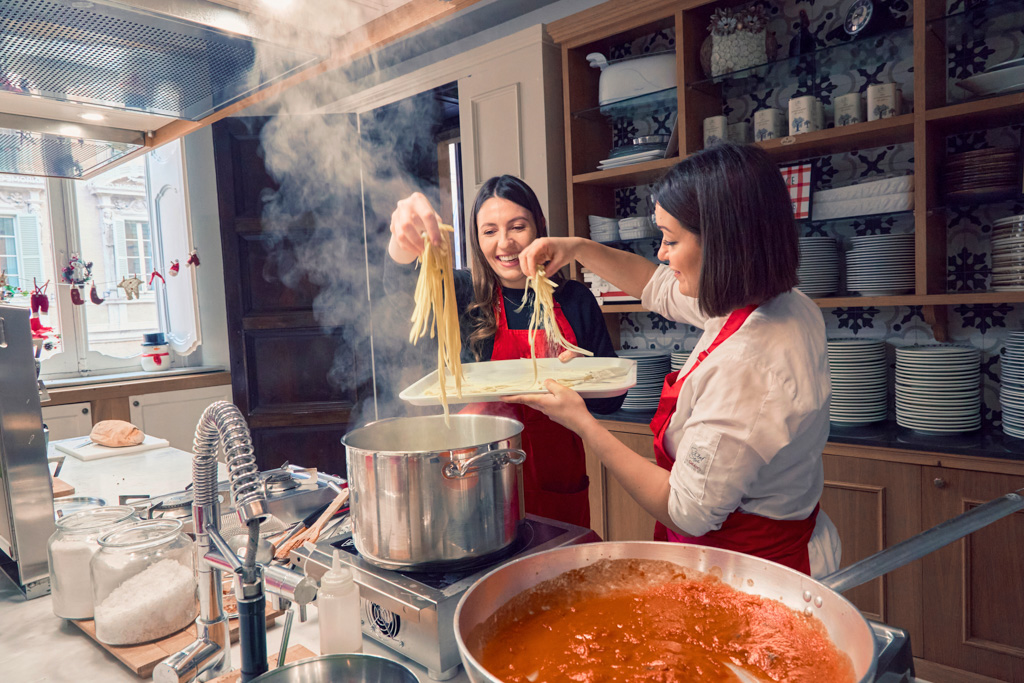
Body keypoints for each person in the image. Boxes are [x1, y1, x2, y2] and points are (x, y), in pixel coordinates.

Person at [505, 143, 841, 577]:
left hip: (751, 573)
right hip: (751, 549)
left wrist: (583, 423)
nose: (661, 253)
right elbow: (654, 285)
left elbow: (686, 511)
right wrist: (580, 248)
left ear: (723, 243)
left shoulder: (748, 366)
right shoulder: (777, 302)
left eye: (670, 239)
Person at [386, 175, 624, 528]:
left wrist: (579, 377)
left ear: (539, 227)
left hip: (558, 484)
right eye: (489, 231)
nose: (505, 243)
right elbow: (401, 277)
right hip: (475, 481)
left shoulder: (575, 300)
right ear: (476, 239)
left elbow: (610, 402)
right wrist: (402, 240)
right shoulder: (462, 295)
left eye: (517, 226)